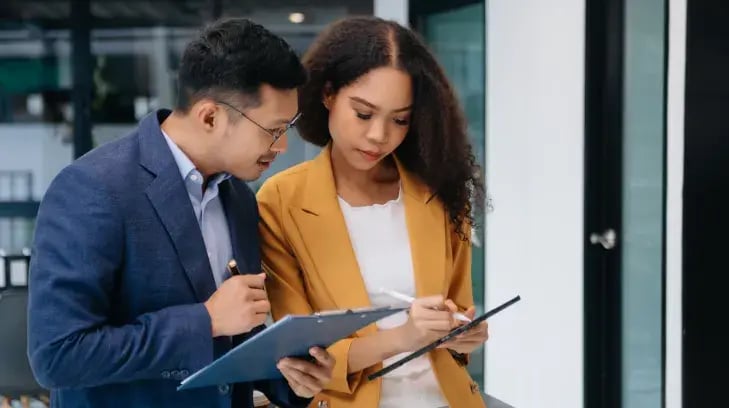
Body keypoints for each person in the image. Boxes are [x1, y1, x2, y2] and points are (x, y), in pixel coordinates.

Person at [27, 18, 334, 408]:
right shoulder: (92, 188)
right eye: (273, 129)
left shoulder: (238, 198)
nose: (283, 146)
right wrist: (205, 321)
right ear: (210, 117)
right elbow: (58, 356)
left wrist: (291, 380)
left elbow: (232, 341)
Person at [257, 16, 489, 408]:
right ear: (328, 94)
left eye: (400, 119)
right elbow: (298, 360)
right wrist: (404, 337)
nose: (379, 135)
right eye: (364, 114)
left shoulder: (437, 192)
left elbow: (458, 323)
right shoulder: (281, 201)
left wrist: (465, 334)